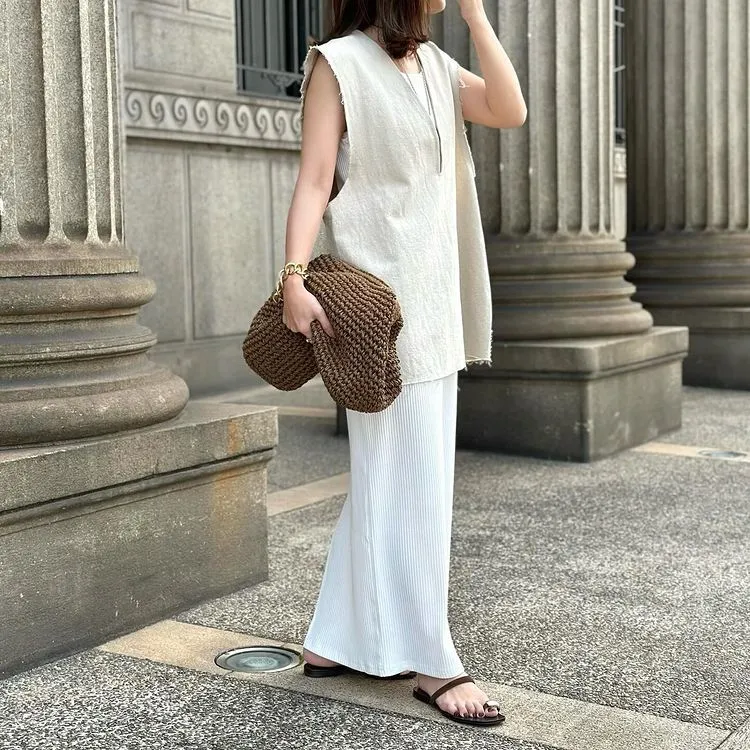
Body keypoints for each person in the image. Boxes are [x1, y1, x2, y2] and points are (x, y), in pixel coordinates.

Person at [279, 0, 526, 729]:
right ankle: (433, 661)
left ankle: (332, 641)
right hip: (378, 309)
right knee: (413, 484)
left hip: (436, 301)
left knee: (390, 478)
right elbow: (315, 179)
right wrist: (293, 277)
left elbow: (509, 110)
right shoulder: (338, 64)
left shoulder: (435, 66)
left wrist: (477, 20)